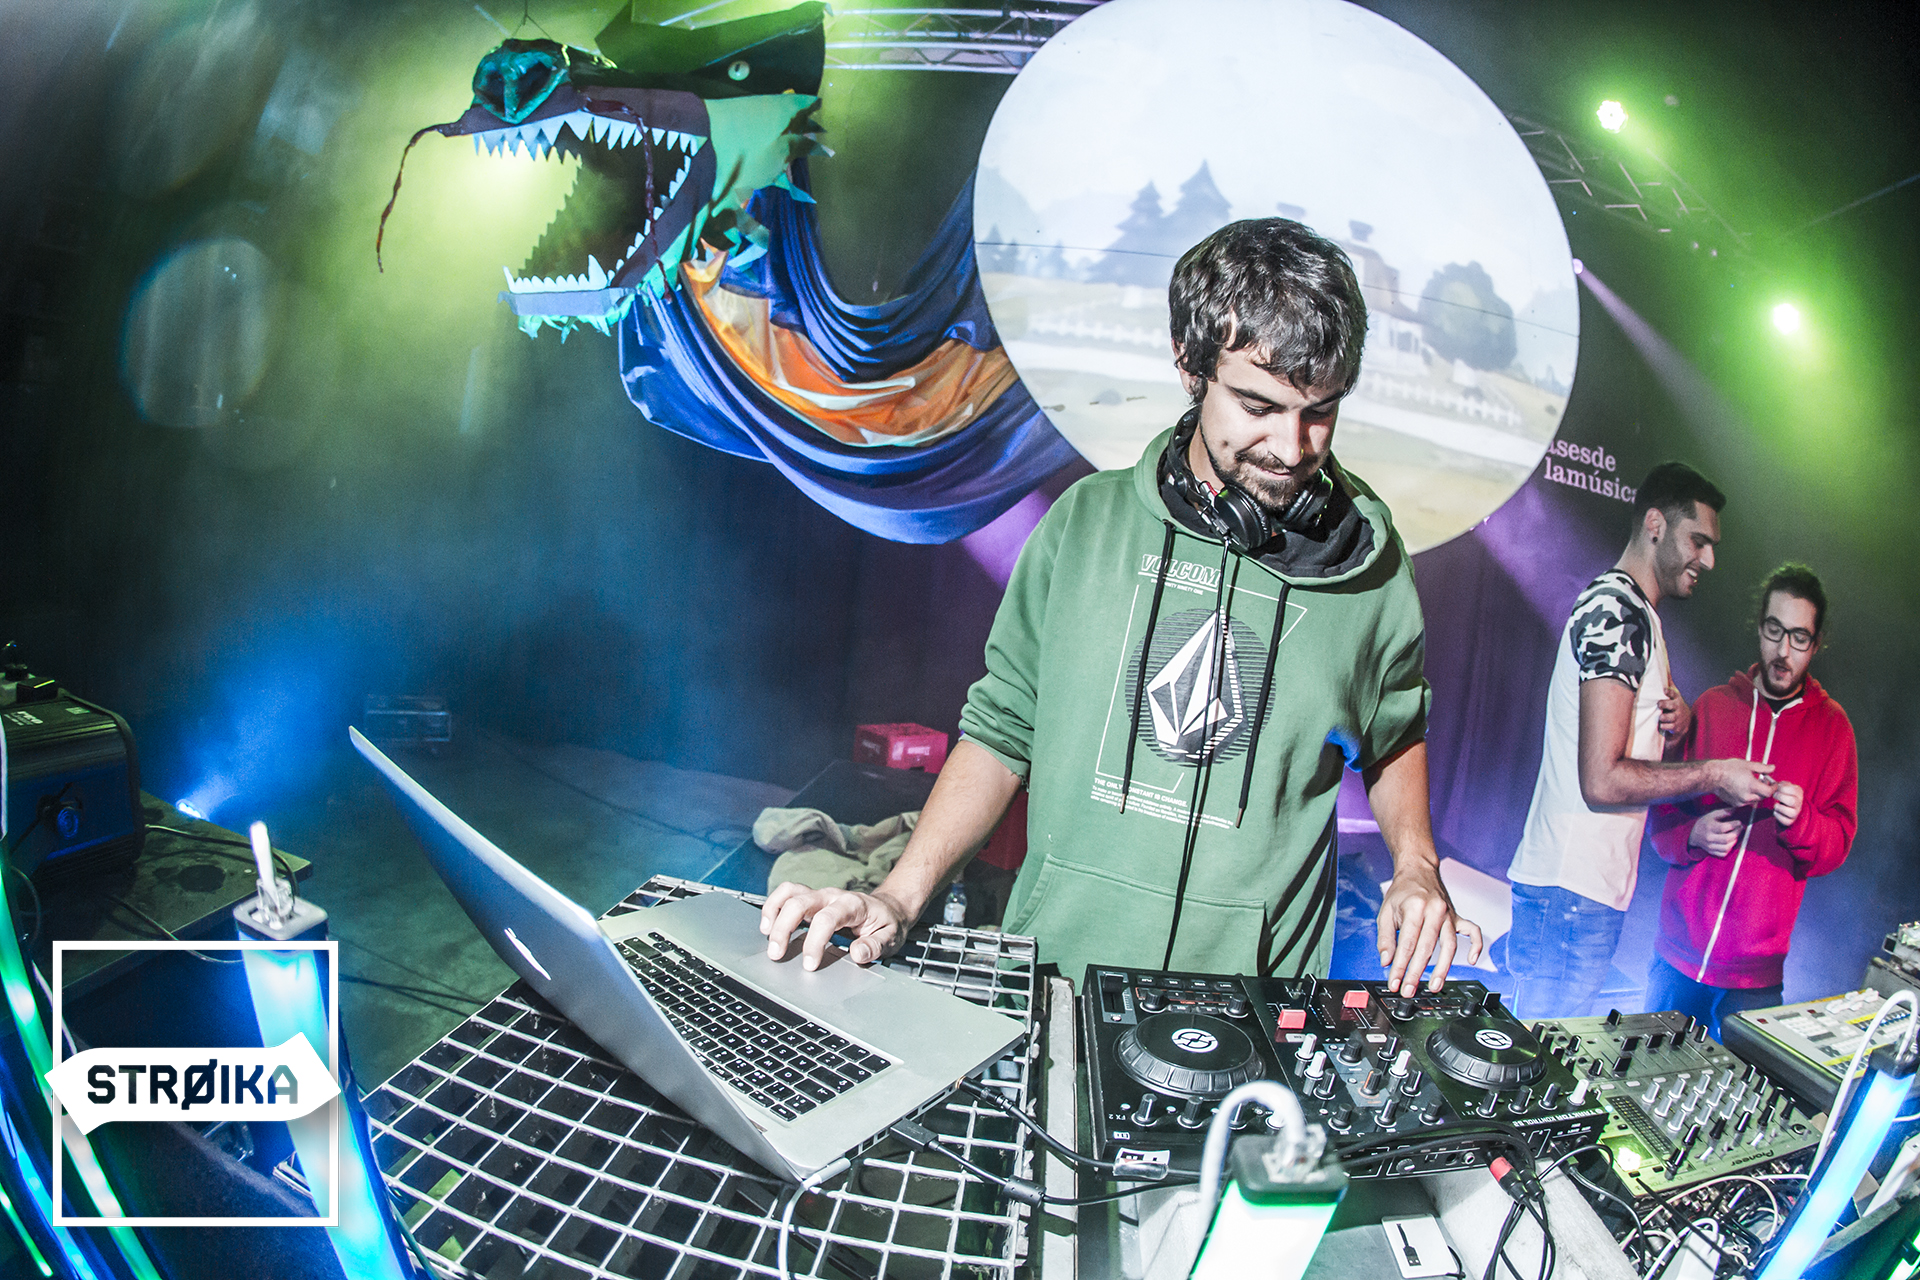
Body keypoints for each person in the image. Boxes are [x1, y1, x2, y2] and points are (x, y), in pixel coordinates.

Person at [762, 218, 1483, 993]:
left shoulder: (1368, 566)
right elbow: (1002, 731)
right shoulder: (1084, 527)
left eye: (1319, 412)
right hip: (1059, 982)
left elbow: (1393, 735)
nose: (1292, 446)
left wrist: (1417, 865)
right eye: (1258, 406)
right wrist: (899, 897)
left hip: (1255, 1006)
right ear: (1190, 364)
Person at [1505, 463, 1778, 1018]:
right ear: (1656, 524)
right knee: (1534, 1064)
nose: (1709, 560)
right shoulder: (1617, 610)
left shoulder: (1638, 615)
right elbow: (1603, 779)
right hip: (1570, 895)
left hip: (1579, 896)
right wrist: (1716, 772)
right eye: (1699, 541)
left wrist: (1668, 725)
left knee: (1545, 1060)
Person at [1645, 564, 1857, 1036]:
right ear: (1759, 627)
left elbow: (1838, 844)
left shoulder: (1833, 729)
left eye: (1799, 637)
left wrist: (1802, 821)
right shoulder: (1714, 705)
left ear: (1816, 644)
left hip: (1754, 980)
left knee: (1739, 1086)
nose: (1783, 651)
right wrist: (1692, 835)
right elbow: (1660, 811)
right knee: (1641, 1075)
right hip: (1676, 960)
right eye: (1775, 630)